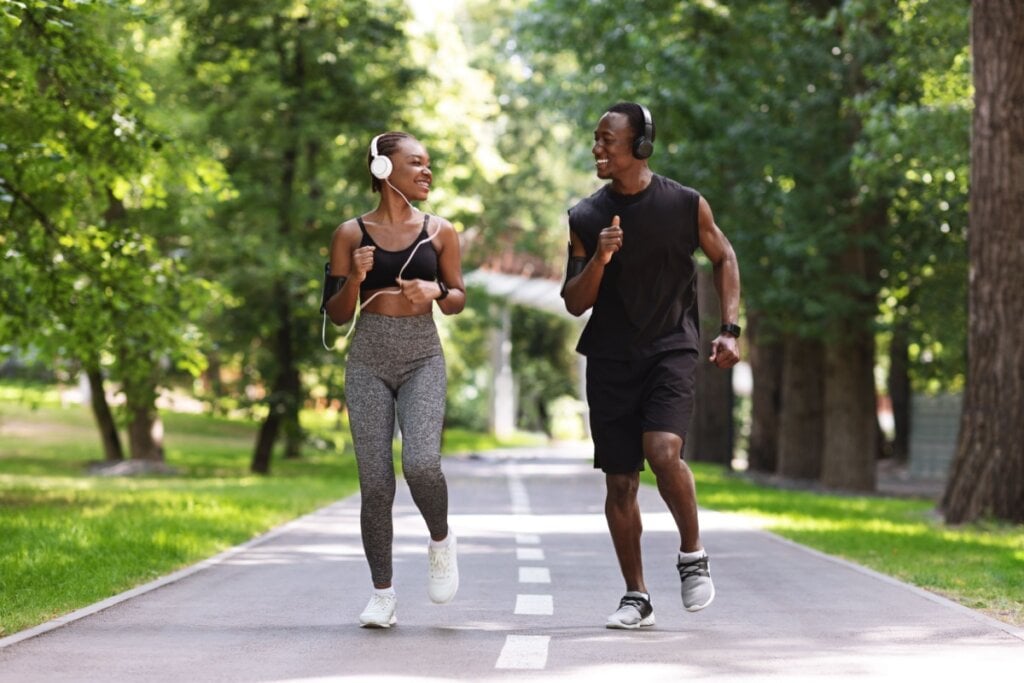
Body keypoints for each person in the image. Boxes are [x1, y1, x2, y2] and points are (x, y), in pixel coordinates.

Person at [561, 102, 741, 629]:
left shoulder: (685, 204)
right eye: (595, 139)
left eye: (607, 139)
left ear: (640, 146)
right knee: (620, 483)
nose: (597, 147)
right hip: (610, 356)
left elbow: (724, 257)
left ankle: (692, 554)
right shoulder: (585, 216)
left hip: (671, 346)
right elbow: (574, 301)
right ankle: (636, 595)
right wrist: (599, 258)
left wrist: (729, 330)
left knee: (662, 450)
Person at [324, 131, 465, 628]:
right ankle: (382, 594)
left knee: (423, 464)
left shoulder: (440, 231)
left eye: (429, 164)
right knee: (376, 483)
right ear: (383, 168)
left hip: (422, 355)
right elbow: (337, 316)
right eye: (416, 163)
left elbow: (458, 298)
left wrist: (437, 289)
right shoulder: (349, 234)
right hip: (368, 359)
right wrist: (356, 280)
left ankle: (441, 540)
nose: (427, 172)